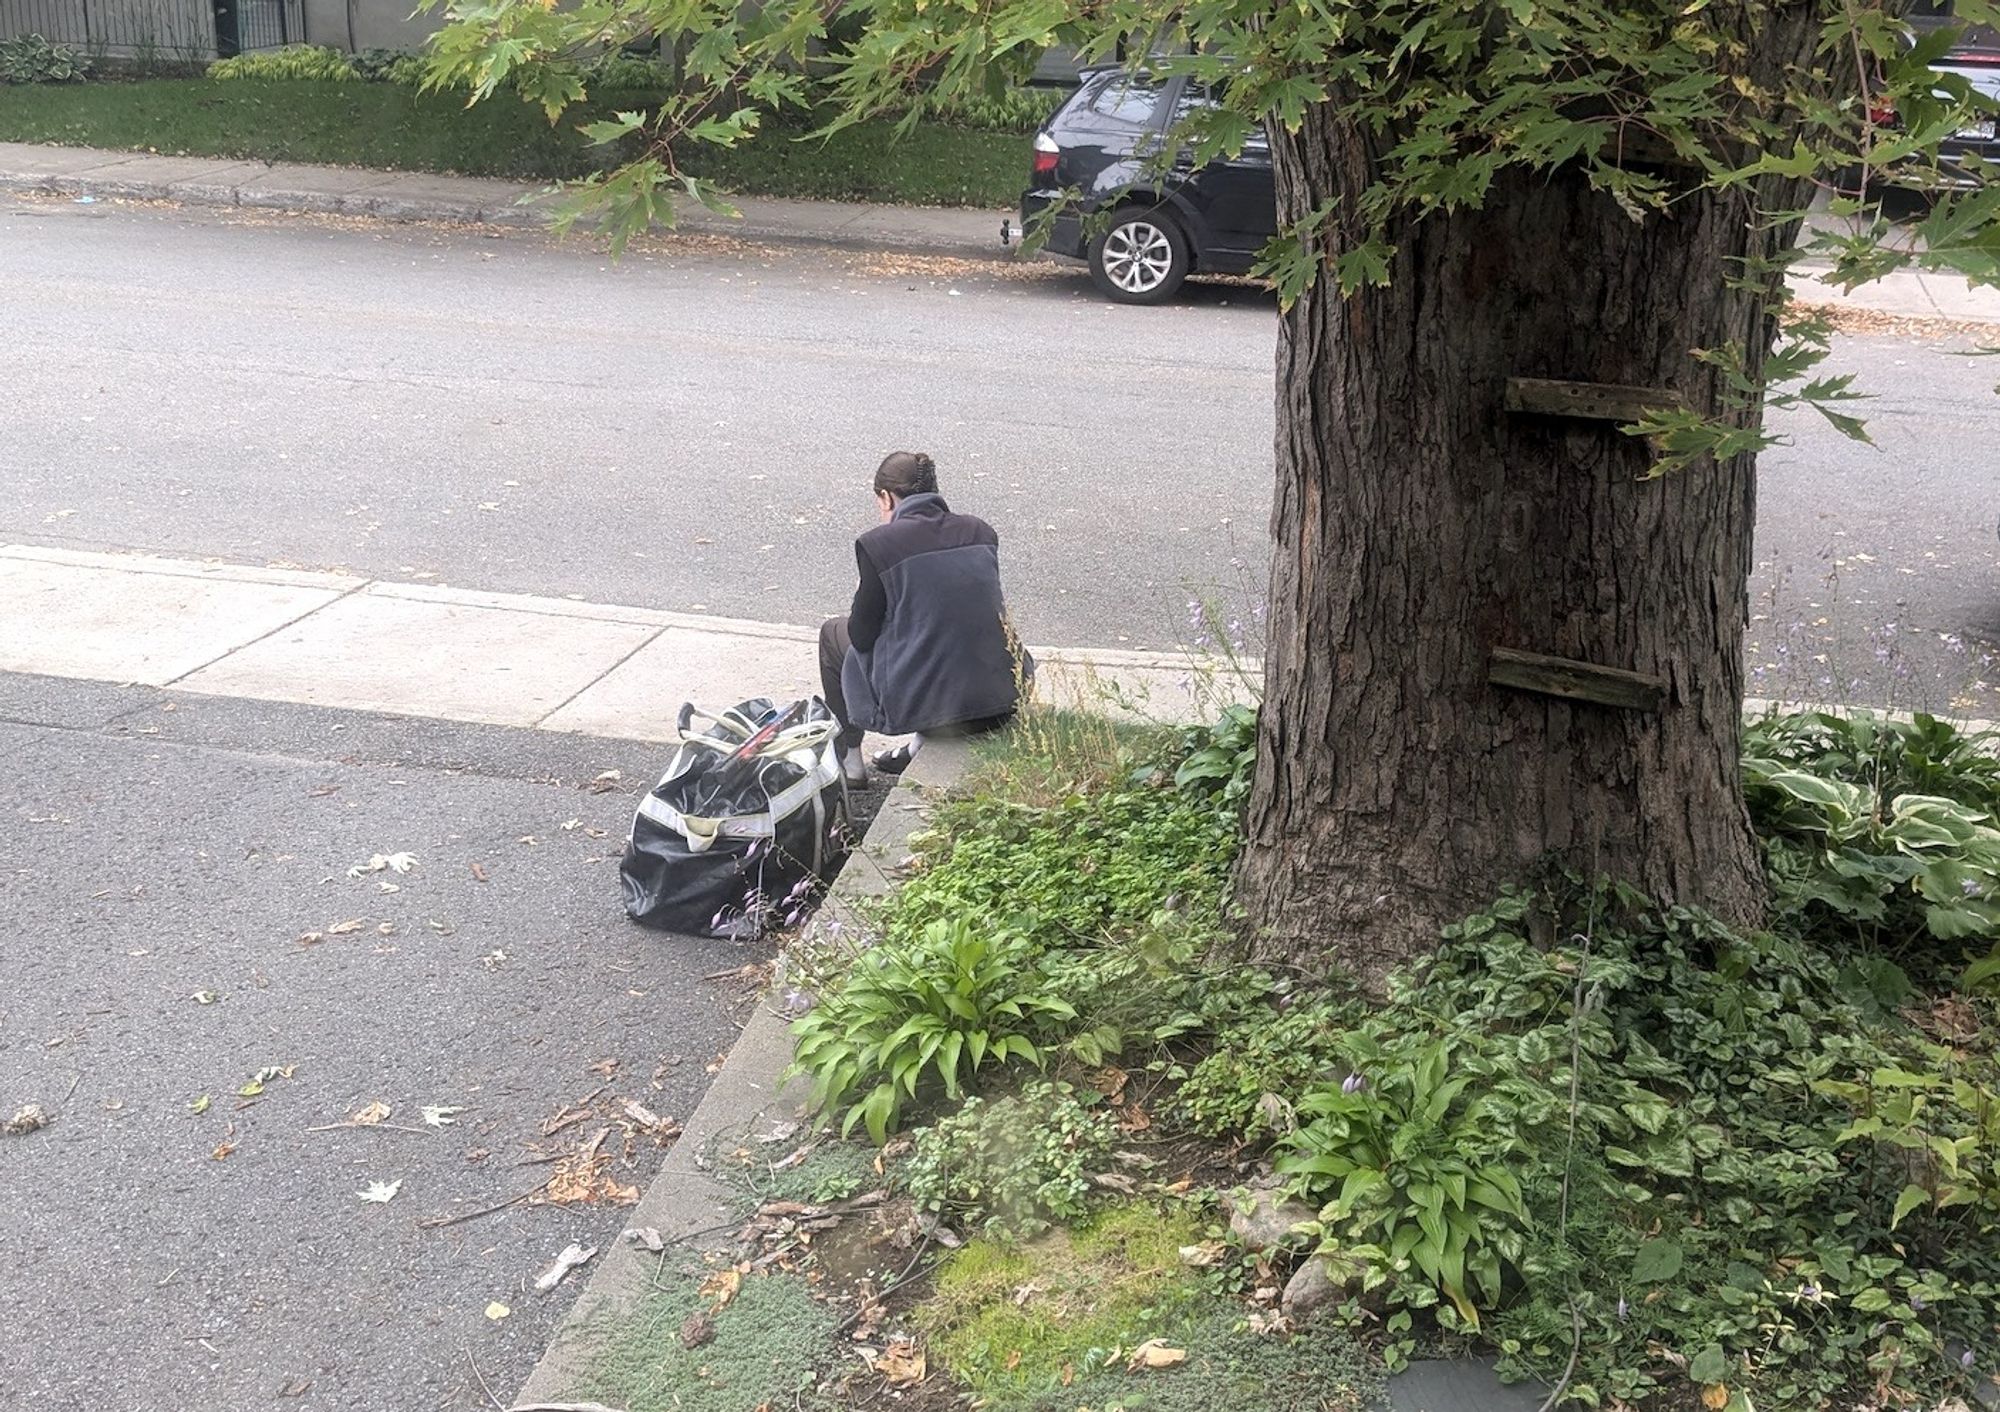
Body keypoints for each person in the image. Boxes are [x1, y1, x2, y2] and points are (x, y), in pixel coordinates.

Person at [818, 451, 1028, 783]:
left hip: (931, 705)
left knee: (833, 634)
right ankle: (917, 748)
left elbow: (861, 635)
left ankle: (850, 762)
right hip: (1001, 697)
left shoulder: (879, 544)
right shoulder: (980, 531)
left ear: (886, 497)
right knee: (940, 631)